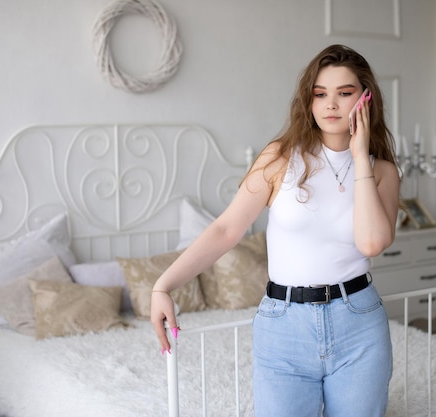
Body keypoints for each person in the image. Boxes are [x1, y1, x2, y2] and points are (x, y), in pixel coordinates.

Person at [151, 44, 400, 417]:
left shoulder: (382, 172)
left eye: (344, 93)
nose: (330, 104)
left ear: (365, 99)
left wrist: (360, 155)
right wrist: (163, 286)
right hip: (284, 325)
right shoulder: (280, 157)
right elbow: (225, 229)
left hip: (359, 323)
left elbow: (372, 242)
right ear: (309, 101)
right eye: (320, 94)